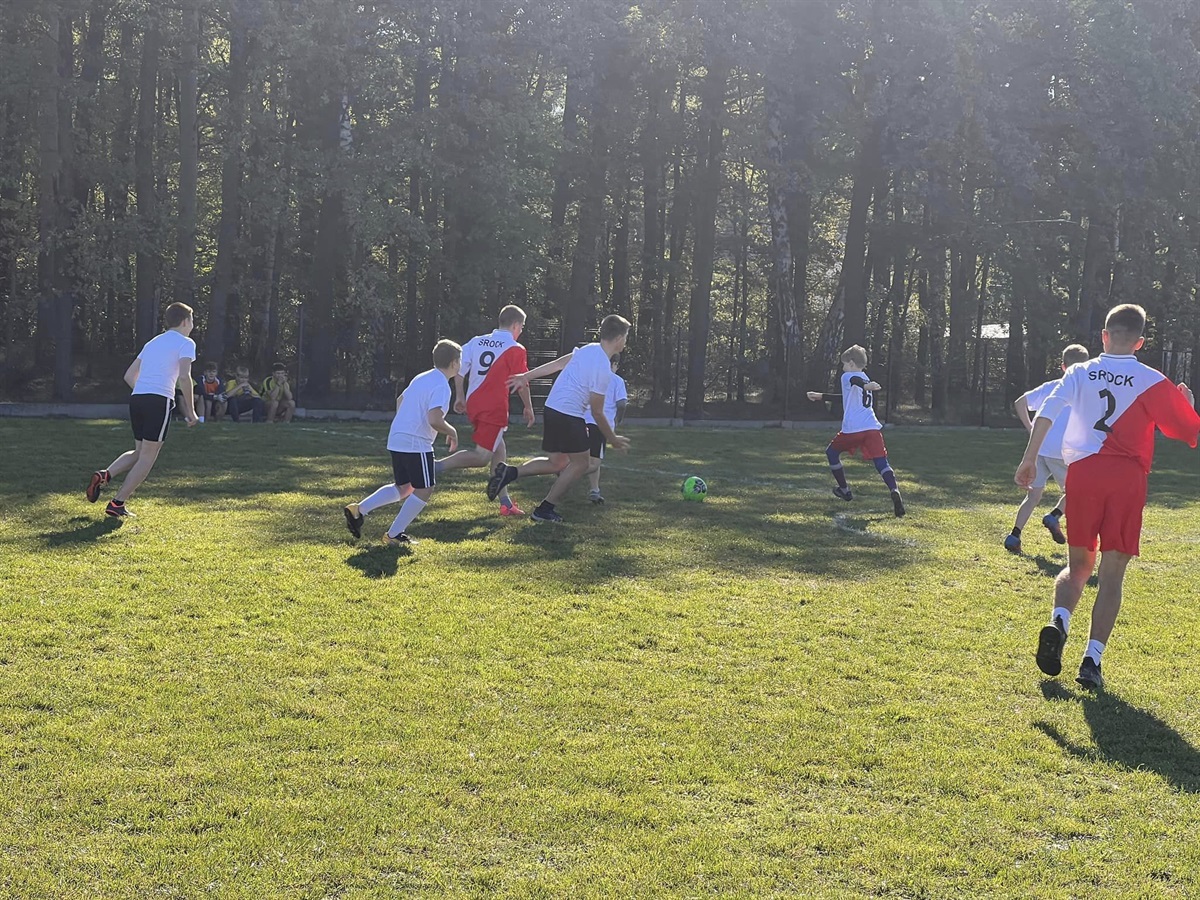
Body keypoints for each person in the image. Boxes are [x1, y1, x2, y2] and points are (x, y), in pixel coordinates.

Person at [1016, 304, 1199, 691]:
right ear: (1140, 342)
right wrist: (1188, 405)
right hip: (1126, 479)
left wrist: (1029, 458)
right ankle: (1091, 661)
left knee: (1078, 567)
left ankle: (1060, 621)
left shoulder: (1079, 371)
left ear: (1104, 336)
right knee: (1112, 573)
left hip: (1083, 477)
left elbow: (1048, 410)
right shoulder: (1151, 379)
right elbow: (1187, 431)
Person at [488, 314, 632, 523]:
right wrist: (613, 438)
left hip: (552, 408)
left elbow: (558, 363)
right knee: (581, 463)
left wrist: (526, 376)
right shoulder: (603, 367)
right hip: (568, 414)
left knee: (557, 463)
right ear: (618, 338)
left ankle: (509, 473)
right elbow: (597, 412)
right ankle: (544, 510)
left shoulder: (589, 349)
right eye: (625, 337)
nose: (625, 342)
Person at [85, 302, 200, 517]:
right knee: (148, 456)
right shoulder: (186, 343)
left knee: (139, 452)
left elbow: (129, 375)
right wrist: (191, 411)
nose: (193, 325)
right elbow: (185, 377)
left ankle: (105, 475)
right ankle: (117, 503)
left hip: (137, 398)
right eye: (192, 321)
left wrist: (145, 390)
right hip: (159, 400)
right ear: (185, 321)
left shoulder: (153, 342)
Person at [343, 340, 461, 547]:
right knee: (424, 489)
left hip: (397, 438)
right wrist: (452, 431)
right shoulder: (442, 385)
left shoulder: (422, 377)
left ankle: (358, 510)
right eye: (460, 361)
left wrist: (406, 423)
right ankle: (394, 534)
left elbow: (400, 400)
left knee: (404, 487)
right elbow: (434, 419)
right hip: (416, 443)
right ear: (453, 363)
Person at [435, 305, 536, 516]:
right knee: (482, 457)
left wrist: (460, 396)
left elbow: (459, 370)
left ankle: (505, 503)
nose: (521, 331)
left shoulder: (477, 341)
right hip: (494, 407)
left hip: (475, 403)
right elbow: (521, 382)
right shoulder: (516, 348)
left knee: (499, 449)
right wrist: (528, 406)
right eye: (522, 327)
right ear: (515, 325)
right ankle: (434, 467)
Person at [1005, 343, 1091, 553]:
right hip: (1063, 451)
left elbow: (1020, 402)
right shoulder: (1085, 391)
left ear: (1063, 366)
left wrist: (1031, 428)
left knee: (1033, 496)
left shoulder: (1051, 386)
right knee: (1078, 492)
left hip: (1039, 449)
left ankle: (1014, 535)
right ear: (1086, 367)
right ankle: (1054, 516)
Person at [806, 344, 905, 517]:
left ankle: (844, 490)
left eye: (844, 364)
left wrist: (866, 386)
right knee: (882, 462)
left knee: (831, 452)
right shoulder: (865, 376)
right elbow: (848, 396)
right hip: (872, 428)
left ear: (851, 363)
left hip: (853, 428)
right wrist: (821, 396)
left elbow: (856, 382)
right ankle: (894, 490)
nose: (843, 368)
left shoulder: (848, 376)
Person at [582, 353, 628, 504]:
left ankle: (594, 490)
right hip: (599, 424)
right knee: (594, 462)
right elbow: (622, 404)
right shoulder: (616, 380)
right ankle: (565, 473)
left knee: (588, 457)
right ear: (614, 364)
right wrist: (618, 419)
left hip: (581, 421)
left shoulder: (591, 378)